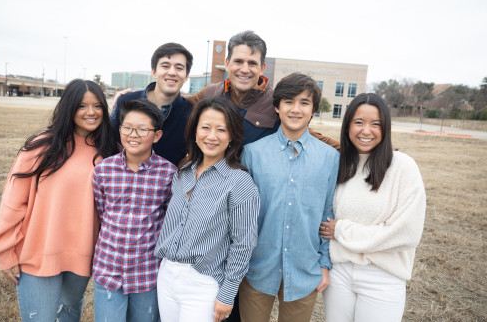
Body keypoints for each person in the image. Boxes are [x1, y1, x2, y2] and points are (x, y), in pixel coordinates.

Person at [0, 79, 119, 321]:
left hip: (83, 257)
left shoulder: (110, 152)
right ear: (69, 108)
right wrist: (5, 252)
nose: (91, 112)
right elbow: (13, 203)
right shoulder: (41, 147)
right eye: (82, 106)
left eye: (97, 106)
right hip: (38, 255)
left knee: (69, 316)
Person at [239, 73, 339, 322]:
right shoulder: (252, 154)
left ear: (314, 109)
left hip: (305, 270)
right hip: (256, 269)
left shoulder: (330, 158)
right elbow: (240, 215)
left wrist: (324, 265)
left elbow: (329, 213)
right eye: (288, 102)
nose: (296, 109)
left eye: (304, 103)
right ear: (277, 107)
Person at [320, 93, 426, 322]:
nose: (366, 131)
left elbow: (407, 233)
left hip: (383, 276)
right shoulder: (340, 165)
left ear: (385, 128)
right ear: (347, 126)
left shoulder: (403, 167)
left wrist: (342, 231)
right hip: (339, 273)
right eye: (359, 122)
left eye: (375, 124)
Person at [154, 96, 260, 322]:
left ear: (231, 136)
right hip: (167, 274)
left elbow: (243, 244)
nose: (212, 136)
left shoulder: (239, 182)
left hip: (202, 283)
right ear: (194, 131)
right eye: (205, 127)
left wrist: (228, 293)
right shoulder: (183, 172)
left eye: (221, 129)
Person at [92, 99, 176, 322]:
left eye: (142, 129)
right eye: (127, 128)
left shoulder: (168, 173)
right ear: (119, 130)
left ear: (157, 135)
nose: (133, 135)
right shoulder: (103, 169)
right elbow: (102, 212)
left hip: (147, 271)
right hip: (108, 268)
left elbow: (169, 220)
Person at [186, 30, 340, 151]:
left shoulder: (275, 102)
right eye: (238, 61)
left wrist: (356, 152)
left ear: (262, 68)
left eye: (252, 63)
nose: (245, 69)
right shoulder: (210, 94)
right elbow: (177, 105)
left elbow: (309, 137)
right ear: (227, 64)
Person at [110, 42, 193, 165]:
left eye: (179, 68)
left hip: (168, 182)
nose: (172, 72)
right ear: (154, 72)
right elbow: (106, 140)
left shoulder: (191, 113)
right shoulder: (125, 102)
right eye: (165, 66)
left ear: (186, 76)